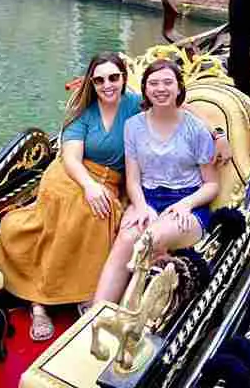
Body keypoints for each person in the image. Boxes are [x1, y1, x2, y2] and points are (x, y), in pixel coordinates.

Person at [0, 52, 140, 341]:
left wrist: (215, 135)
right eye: (99, 80)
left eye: (113, 77)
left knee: (93, 214)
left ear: (124, 78)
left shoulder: (135, 104)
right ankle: (40, 304)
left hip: (109, 181)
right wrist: (89, 186)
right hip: (70, 177)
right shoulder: (83, 113)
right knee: (81, 208)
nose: (107, 85)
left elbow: (175, 108)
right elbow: (71, 158)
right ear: (92, 84)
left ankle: (83, 294)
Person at [93, 59, 219, 304]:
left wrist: (186, 205)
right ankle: (95, 317)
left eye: (167, 82)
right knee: (126, 240)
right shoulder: (133, 126)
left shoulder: (196, 130)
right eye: (154, 83)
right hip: (147, 198)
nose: (161, 89)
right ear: (145, 89)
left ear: (179, 88)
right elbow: (132, 179)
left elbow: (212, 185)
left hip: (186, 203)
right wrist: (140, 206)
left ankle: (128, 316)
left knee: (149, 239)